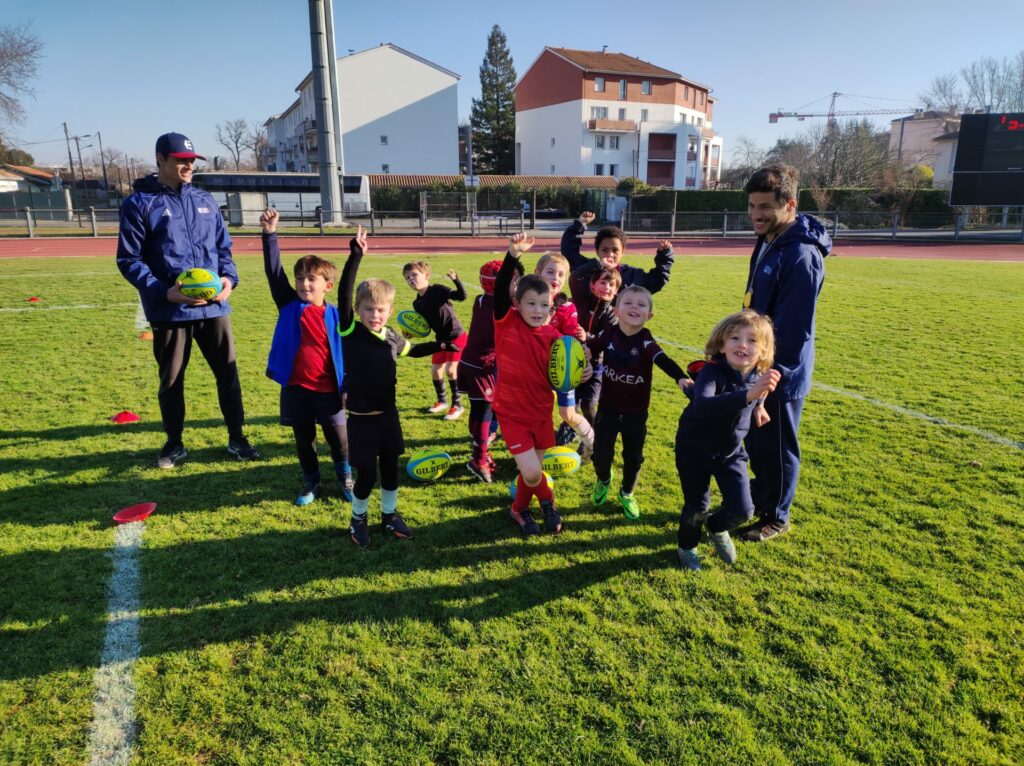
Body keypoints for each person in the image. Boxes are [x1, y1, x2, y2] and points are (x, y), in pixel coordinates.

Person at [116, 132, 259, 469]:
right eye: (181, 160)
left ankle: (238, 439)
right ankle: (175, 443)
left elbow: (224, 249)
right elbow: (129, 260)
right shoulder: (140, 204)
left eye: (192, 160)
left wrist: (229, 279)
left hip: (214, 308)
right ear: (161, 160)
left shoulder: (206, 201)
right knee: (172, 380)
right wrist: (163, 291)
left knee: (228, 374)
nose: (188, 165)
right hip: (169, 310)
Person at [738, 164, 830, 542]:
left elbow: (793, 331)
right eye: (751, 206)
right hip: (755, 362)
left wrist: (772, 377)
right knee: (756, 443)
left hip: (779, 373)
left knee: (777, 447)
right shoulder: (769, 239)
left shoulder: (802, 257)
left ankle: (776, 516)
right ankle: (761, 501)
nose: (756, 215)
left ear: (790, 204)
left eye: (765, 207)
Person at [340, 227, 441, 548]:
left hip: (388, 416)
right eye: (368, 309)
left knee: (391, 469)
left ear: (390, 312)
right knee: (366, 475)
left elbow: (413, 350)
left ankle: (389, 515)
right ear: (357, 310)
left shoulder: (393, 336)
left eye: (381, 310)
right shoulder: (350, 331)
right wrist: (356, 256)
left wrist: (444, 344)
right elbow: (343, 292)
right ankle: (358, 519)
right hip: (361, 419)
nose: (374, 315)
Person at [260, 209, 352, 506]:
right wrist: (269, 235)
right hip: (296, 389)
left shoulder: (337, 315)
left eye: (311, 279)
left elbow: (348, 353)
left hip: (329, 391)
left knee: (339, 440)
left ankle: (345, 477)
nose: (303, 283)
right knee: (304, 439)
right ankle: (311, 480)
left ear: (327, 285)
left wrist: (348, 384)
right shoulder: (288, 305)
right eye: (300, 278)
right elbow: (275, 273)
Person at [675, 311, 780, 570]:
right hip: (694, 451)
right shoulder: (711, 372)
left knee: (744, 510)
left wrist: (759, 405)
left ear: (763, 350)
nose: (742, 345)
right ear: (722, 344)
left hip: (731, 452)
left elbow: (758, 392)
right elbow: (703, 406)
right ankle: (687, 546)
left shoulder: (758, 375)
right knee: (697, 506)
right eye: (734, 337)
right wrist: (749, 395)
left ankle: (715, 526)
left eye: (752, 340)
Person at [494, 233, 578, 536]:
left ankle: (518, 510)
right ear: (517, 304)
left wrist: (581, 368)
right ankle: (548, 504)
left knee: (531, 473)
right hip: (512, 413)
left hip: (541, 413)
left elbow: (566, 375)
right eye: (531, 303)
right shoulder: (507, 322)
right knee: (531, 472)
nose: (538, 310)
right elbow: (502, 288)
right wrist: (512, 255)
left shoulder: (555, 339)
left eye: (544, 305)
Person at [586, 285, 689, 520]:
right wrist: (581, 355)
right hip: (608, 410)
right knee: (601, 455)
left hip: (635, 413)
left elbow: (663, 359)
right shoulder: (609, 334)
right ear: (617, 310)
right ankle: (604, 479)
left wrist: (680, 377)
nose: (634, 307)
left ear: (649, 315)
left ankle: (627, 493)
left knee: (633, 458)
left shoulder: (646, 341)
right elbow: (589, 349)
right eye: (628, 303)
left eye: (641, 304)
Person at [457, 258, 514, 484]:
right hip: (483, 367)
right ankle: (478, 460)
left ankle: (478, 453)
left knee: (478, 410)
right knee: (485, 413)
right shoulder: (504, 308)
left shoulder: (480, 300)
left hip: (468, 362)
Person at [534, 252, 594, 454]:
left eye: (561, 274)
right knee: (537, 412)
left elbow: (572, 342)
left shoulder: (567, 307)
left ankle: (593, 444)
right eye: (550, 272)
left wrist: (584, 363)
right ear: (538, 273)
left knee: (568, 413)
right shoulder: (527, 303)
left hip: (562, 369)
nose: (555, 278)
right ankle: (537, 453)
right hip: (535, 370)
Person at [562, 213, 675, 307]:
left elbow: (657, 280)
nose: (610, 254)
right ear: (597, 251)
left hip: (616, 329)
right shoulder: (586, 269)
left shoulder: (632, 275)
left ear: (622, 251)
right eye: (605, 250)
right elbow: (568, 252)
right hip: (584, 330)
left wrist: (665, 256)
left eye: (615, 250)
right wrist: (579, 225)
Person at [402, 260, 467, 420]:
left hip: (456, 335)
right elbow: (426, 327)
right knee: (436, 371)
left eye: (414, 275)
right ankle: (442, 401)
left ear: (426, 275)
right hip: (440, 340)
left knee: (451, 371)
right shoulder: (416, 303)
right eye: (407, 277)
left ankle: (457, 405)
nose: (411, 279)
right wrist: (412, 333)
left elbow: (462, 296)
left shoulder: (437, 290)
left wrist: (455, 279)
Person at [569, 266, 622, 429]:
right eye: (603, 282)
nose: (607, 287)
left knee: (589, 404)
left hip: (598, 365)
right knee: (572, 404)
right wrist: (597, 263)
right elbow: (574, 277)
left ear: (616, 290)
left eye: (611, 285)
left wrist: (588, 337)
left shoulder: (613, 314)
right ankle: (573, 431)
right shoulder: (581, 301)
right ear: (592, 285)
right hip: (574, 360)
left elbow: (608, 338)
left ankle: (593, 436)